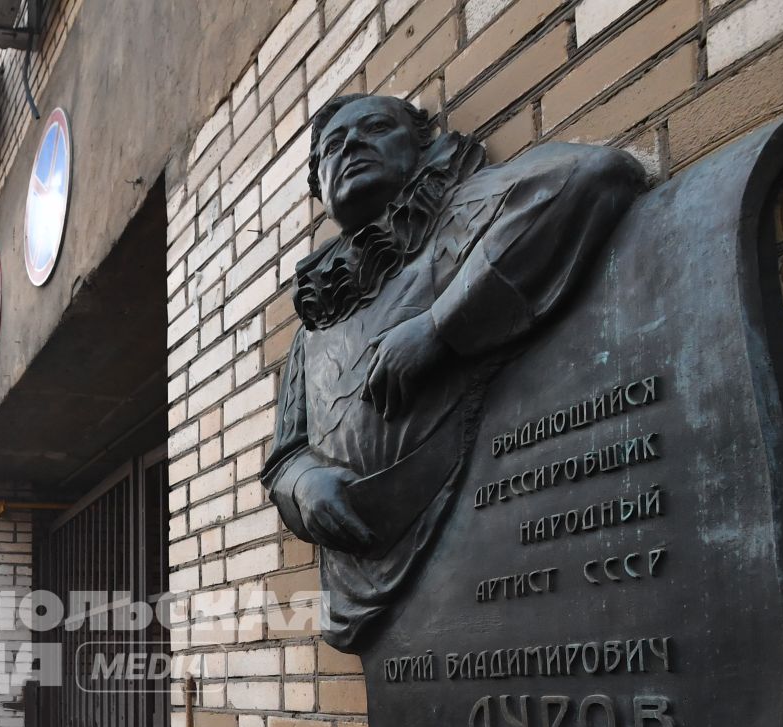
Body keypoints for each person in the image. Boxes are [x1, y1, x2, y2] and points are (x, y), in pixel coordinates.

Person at [263, 93, 644, 651]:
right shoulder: (310, 333)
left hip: (484, 508)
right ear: (320, 190)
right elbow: (283, 459)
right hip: (366, 555)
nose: (352, 146)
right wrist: (305, 486)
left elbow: (596, 174)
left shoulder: (473, 207)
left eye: (374, 129)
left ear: (421, 146)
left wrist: (439, 330)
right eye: (333, 147)